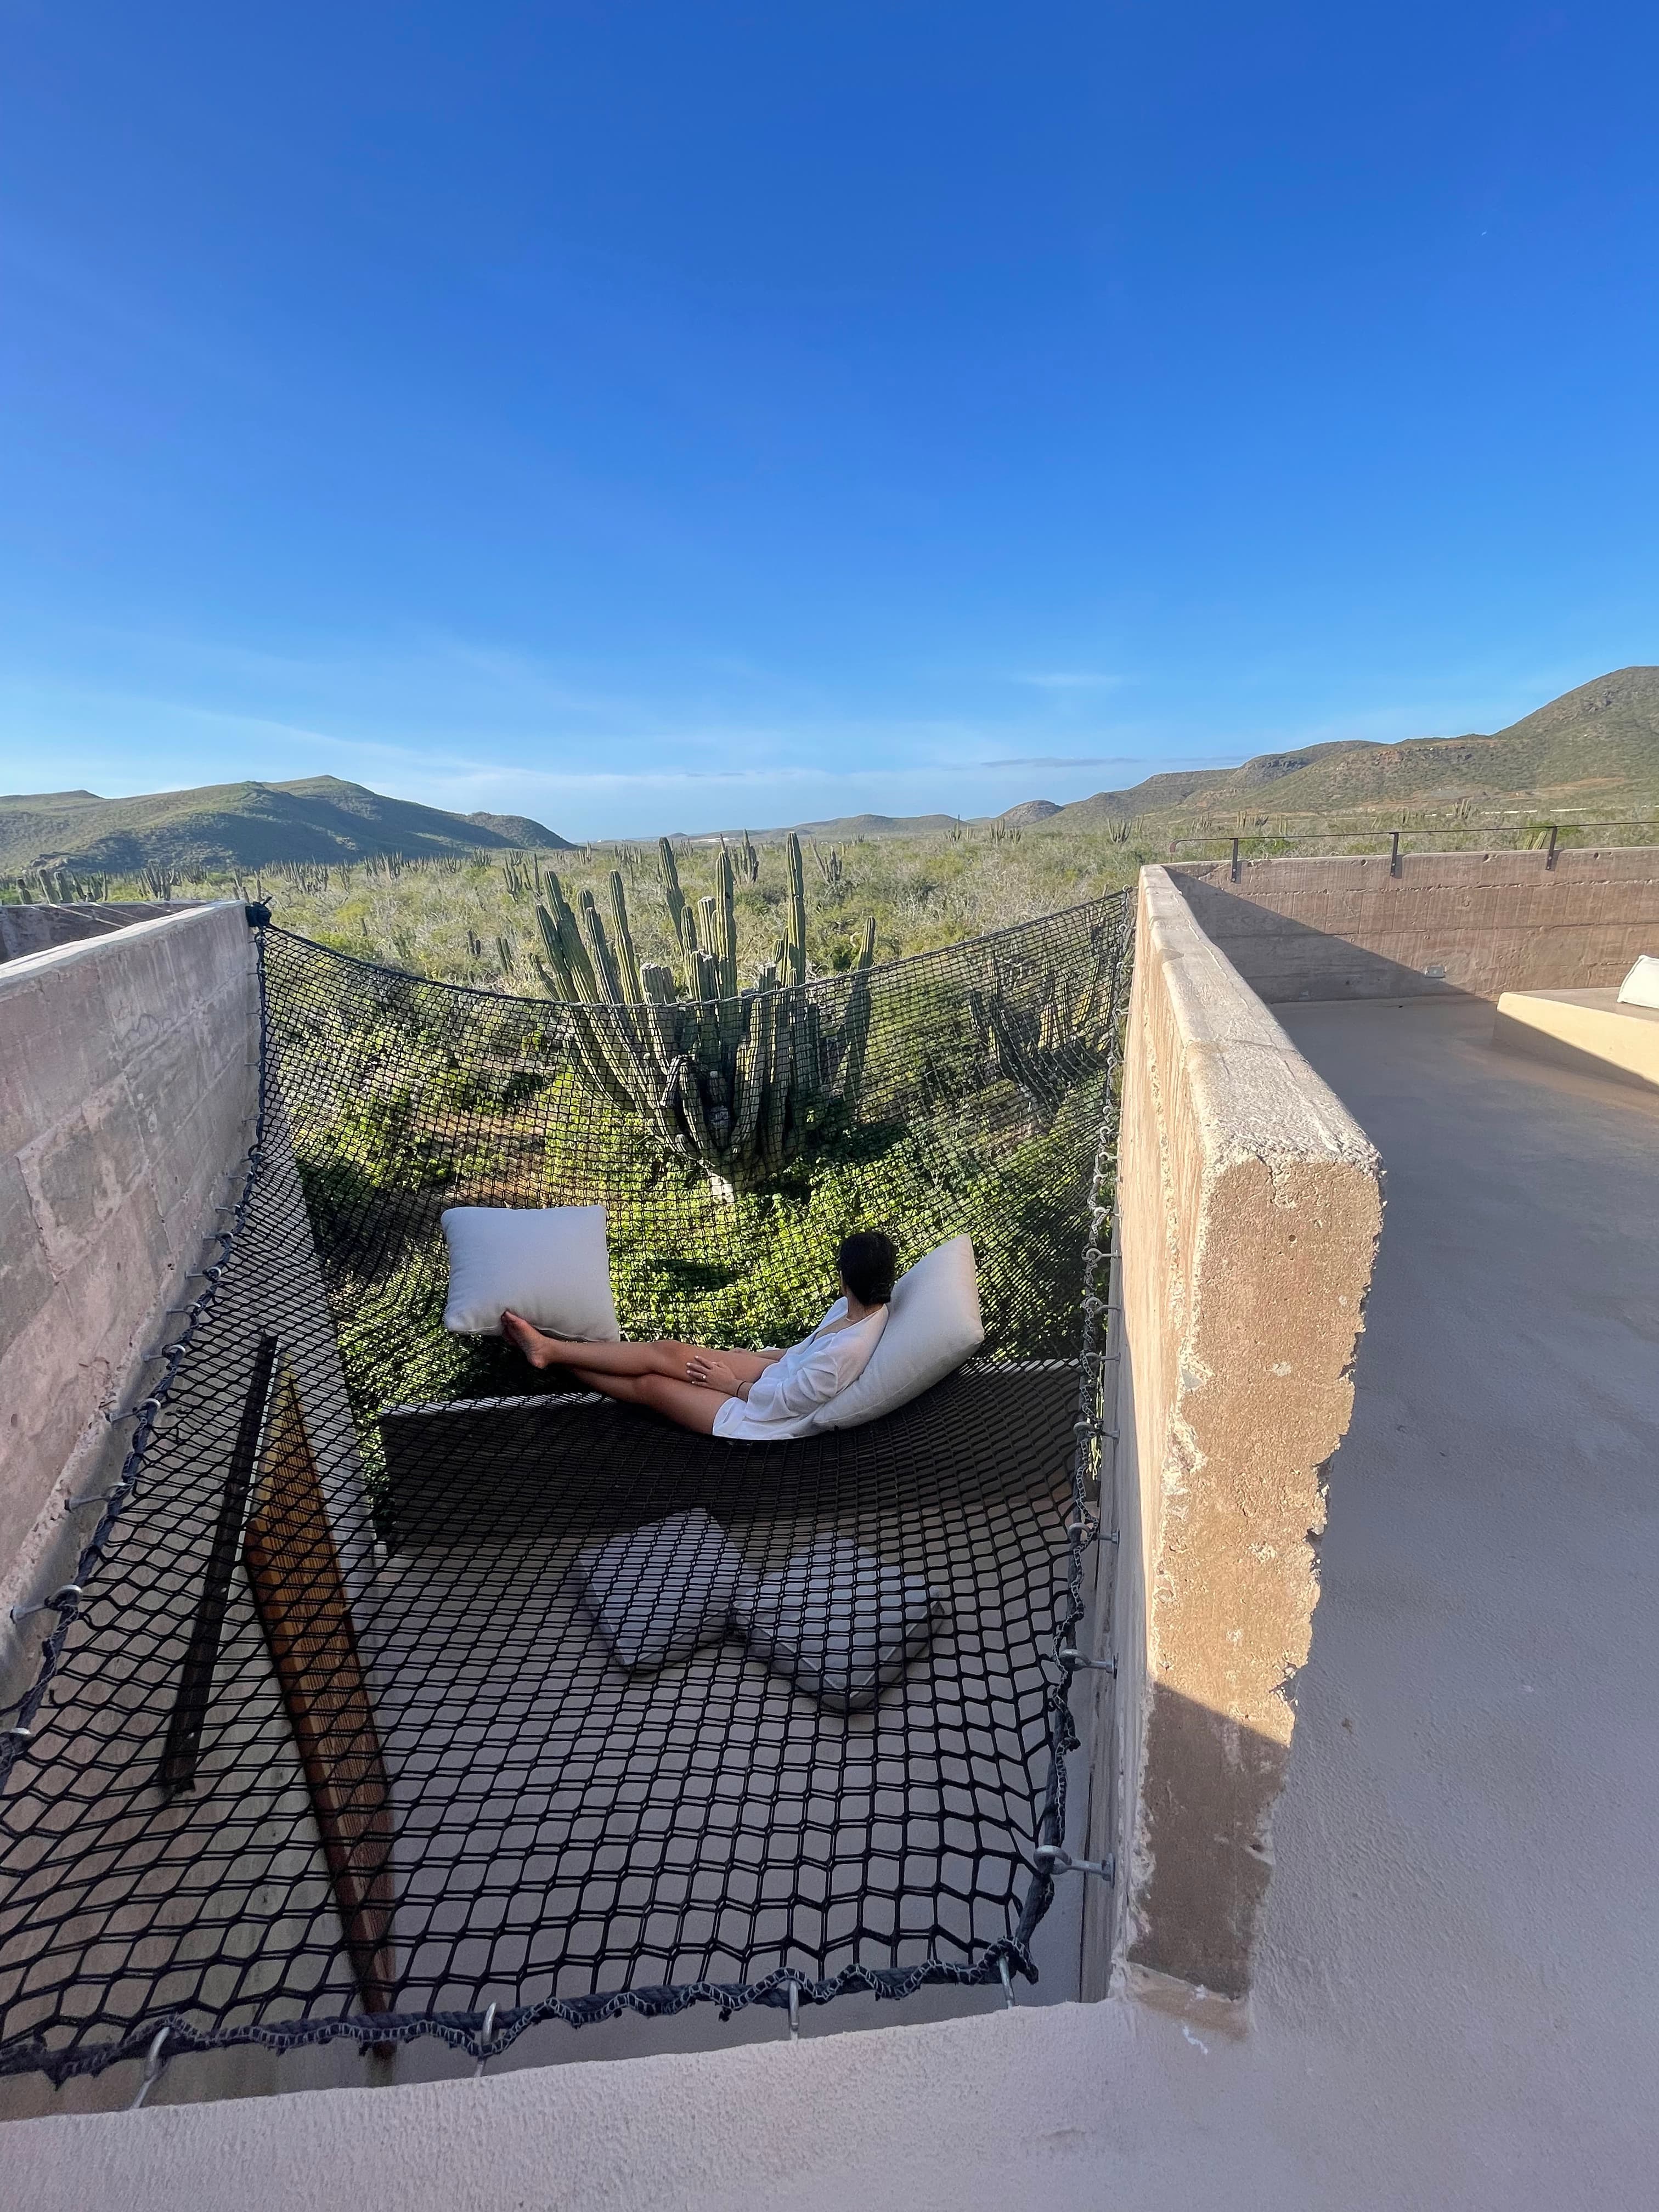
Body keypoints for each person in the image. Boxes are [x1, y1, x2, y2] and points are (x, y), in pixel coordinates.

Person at [501, 1229, 897, 1440]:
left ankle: (552, 1356)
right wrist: (759, 1357)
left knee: (652, 1385)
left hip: (761, 1416)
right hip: (774, 1376)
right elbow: (802, 1353)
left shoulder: (847, 1351)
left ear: (844, 1277)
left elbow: (787, 1406)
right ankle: (552, 1346)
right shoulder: (854, 1308)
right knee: (667, 1352)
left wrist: (732, 1383)